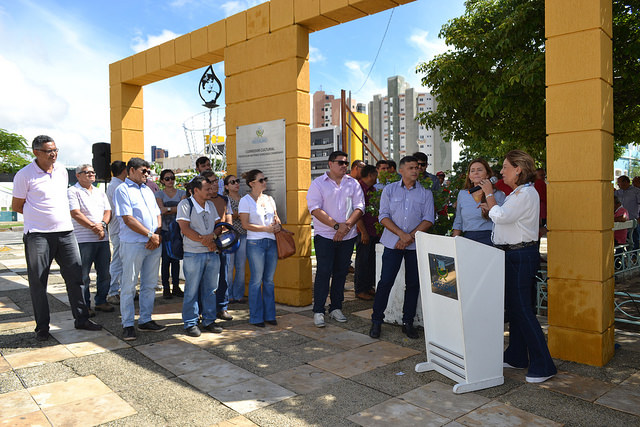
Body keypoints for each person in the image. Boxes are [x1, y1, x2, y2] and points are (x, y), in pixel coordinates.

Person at [12, 135, 102, 341]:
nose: (53, 154)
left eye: (55, 150)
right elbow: (17, 206)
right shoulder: (24, 175)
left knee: (76, 277)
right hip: (38, 235)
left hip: (66, 233)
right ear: (36, 152)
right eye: (48, 151)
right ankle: (42, 327)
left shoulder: (61, 171)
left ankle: (81, 318)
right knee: (38, 281)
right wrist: (41, 219)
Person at [479, 149, 557, 384]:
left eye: (505, 167)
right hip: (511, 254)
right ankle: (516, 356)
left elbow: (502, 217)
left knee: (523, 309)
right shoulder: (517, 193)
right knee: (514, 309)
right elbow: (503, 219)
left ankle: (544, 364)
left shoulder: (526, 193)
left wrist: (490, 196)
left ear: (518, 169)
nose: (501, 171)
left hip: (521, 254)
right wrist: (490, 208)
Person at [369, 156, 434, 339]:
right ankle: (376, 321)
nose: (416, 170)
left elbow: (428, 218)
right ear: (401, 170)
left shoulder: (425, 193)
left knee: (413, 284)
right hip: (392, 243)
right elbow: (383, 216)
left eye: (417, 167)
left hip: (414, 246)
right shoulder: (389, 190)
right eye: (411, 167)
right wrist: (401, 234)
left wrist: (408, 238)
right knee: (385, 282)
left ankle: (408, 322)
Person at [307, 151, 365, 327]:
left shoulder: (353, 183)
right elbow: (315, 209)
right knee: (324, 272)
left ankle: (336, 307)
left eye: (345, 163)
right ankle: (318, 310)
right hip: (325, 236)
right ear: (330, 164)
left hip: (348, 235)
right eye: (340, 162)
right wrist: (336, 226)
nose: (344, 166)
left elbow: (360, 207)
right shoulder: (318, 184)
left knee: (341, 272)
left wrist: (345, 226)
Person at [114, 157, 165, 341]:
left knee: (150, 284)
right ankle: (127, 324)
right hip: (134, 244)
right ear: (131, 170)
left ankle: (145, 320)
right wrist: (149, 235)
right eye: (144, 170)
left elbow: (157, 213)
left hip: (153, 242)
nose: (147, 174)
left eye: (148, 171)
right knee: (129, 284)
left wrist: (156, 234)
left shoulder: (148, 190)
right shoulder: (123, 190)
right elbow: (128, 219)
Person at [176, 176, 224, 336]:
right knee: (192, 289)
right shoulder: (185, 204)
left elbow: (218, 225)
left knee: (211, 289)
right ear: (195, 190)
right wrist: (207, 242)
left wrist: (213, 237)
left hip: (212, 253)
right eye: (207, 189)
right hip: (193, 254)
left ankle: (209, 320)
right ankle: (190, 322)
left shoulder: (210, 204)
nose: (211, 191)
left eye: (211, 188)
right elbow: (185, 229)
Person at [67, 164, 114, 315]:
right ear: (78, 175)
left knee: (105, 273)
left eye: (93, 172)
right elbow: (75, 213)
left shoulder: (100, 192)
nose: (91, 175)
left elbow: (108, 211)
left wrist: (102, 225)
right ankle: (85, 305)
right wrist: (95, 228)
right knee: (83, 275)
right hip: (83, 240)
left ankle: (101, 301)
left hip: (102, 239)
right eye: (86, 172)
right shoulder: (72, 191)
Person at [239, 169, 282, 327]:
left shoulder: (270, 199)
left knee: (269, 281)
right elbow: (245, 224)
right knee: (256, 280)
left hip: (271, 242)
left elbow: (276, 218)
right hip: (255, 243)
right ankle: (256, 317)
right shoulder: (246, 200)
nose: (265, 182)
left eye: (265, 179)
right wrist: (265, 229)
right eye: (261, 180)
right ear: (252, 183)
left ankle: (270, 315)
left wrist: (277, 226)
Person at [202, 170, 234, 321]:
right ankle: (203, 309)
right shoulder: (200, 200)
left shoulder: (224, 200)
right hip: (205, 245)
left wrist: (219, 234)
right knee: (206, 279)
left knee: (224, 277)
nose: (215, 184)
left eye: (216, 181)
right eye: (212, 181)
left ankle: (222, 307)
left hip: (222, 244)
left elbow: (229, 222)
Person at [451, 159, 506, 246]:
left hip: (491, 239)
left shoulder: (498, 194)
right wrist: (453, 244)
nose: (476, 173)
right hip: (468, 239)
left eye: (479, 170)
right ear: (469, 176)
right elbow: (458, 220)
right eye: (472, 171)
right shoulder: (463, 194)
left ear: (487, 175)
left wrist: (490, 212)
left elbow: (504, 220)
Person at [155, 169, 186, 299]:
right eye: (167, 178)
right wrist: (175, 208)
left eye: (172, 178)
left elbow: (184, 209)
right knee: (166, 261)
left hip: (179, 230)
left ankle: (176, 286)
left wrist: (167, 209)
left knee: (176, 260)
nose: (170, 181)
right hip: (165, 230)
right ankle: (166, 288)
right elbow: (160, 210)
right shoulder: (159, 194)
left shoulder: (182, 192)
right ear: (162, 180)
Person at [354, 164, 380, 300]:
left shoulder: (373, 189)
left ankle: (368, 286)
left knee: (371, 261)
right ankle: (360, 289)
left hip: (374, 231)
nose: (378, 177)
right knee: (362, 262)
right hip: (364, 231)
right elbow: (357, 212)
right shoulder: (359, 189)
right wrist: (363, 232)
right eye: (376, 174)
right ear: (370, 175)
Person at [224, 175, 248, 304]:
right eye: (232, 182)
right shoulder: (225, 199)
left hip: (243, 234)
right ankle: (228, 295)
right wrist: (239, 214)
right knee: (229, 266)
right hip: (230, 236)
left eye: (237, 181)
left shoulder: (244, 198)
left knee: (241, 266)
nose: (236, 184)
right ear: (227, 186)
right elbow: (230, 214)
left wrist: (238, 214)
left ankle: (238, 294)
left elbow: (245, 214)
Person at [106, 160, 127, 304]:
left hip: (120, 229)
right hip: (119, 228)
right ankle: (112, 291)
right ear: (124, 171)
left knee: (123, 261)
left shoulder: (115, 185)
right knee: (118, 261)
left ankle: (122, 289)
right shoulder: (117, 186)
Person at [615, 175, 640, 250]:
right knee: (621, 241)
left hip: (633, 220)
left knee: (634, 240)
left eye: (619, 182)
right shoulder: (617, 192)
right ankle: (621, 258)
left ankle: (634, 257)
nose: (618, 185)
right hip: (621, 221)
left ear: (626, 182)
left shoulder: (636, 191)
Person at [534, 168, 547, 237]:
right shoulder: (539, 183)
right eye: (541, 175)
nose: (543, 177)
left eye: (544, 175)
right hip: (540, 214)